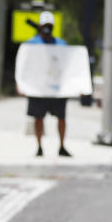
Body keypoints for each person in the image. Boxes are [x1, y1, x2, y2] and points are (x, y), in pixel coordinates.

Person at [25, 11, 72, 157]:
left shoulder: (61, 44)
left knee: (61, 118)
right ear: (39, 26)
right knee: (38, 117)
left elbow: (70, 66)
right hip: (39, 89)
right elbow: (25, 66)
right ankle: (39, 147)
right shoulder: (31, 44)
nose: (47, 28)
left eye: (49, 26)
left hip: (56, 90)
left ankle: (62, 146)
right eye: (44, 26)